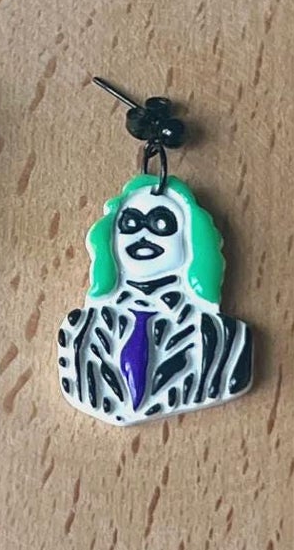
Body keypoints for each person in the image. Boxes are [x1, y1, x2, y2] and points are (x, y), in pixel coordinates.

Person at [58, 172, 252, 424]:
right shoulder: (79, 332)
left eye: (161, 224)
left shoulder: (226, 340)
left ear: (192, 238)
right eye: (130, 224)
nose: (143, 235)